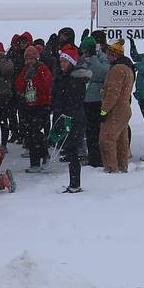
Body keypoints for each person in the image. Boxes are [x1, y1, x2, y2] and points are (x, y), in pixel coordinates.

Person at [52, 45, 91, 192]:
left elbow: (71, 100)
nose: (62, 64)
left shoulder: (74, 79)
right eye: (61, 61)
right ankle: (73, 183)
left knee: (73, 151)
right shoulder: (65, 77)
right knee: (70, 151)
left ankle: (75, 184)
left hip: (74, 118)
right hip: (68, 116)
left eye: (64, 61)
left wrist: (66, 116)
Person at [15, 46, 53, 172]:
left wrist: (34, 80)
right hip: (28, 105)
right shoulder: (24, 71)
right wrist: (25, 80)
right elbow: (18, 85)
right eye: (27, 59)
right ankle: (35, 162)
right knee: (29, 134)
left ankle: (43, 154)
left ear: (37, 58)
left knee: (35, 132)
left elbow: (46, 86)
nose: (29, 61)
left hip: (41, 105)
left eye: (31, 58)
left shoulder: (43, 69)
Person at [99, 41, 135, 173]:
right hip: (125, 107)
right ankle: (122, 165)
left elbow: (112, 93)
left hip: (116, 109)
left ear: (114, 55)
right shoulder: (128, 67)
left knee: (107, 139)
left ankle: (111, 168)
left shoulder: (117, 69)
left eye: (109, 54)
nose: (107, 57)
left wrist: (104, 110)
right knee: (121, 139)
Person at [80, 35, 109, 167]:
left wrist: (93, 58)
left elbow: (101, 72)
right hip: (85, 98)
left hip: (97, 99)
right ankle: (92, 156)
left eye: (86, 50)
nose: (84, 53)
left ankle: (98, 158)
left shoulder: (102, 57)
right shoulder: (82, 58)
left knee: (96, 131)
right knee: (89, 131)